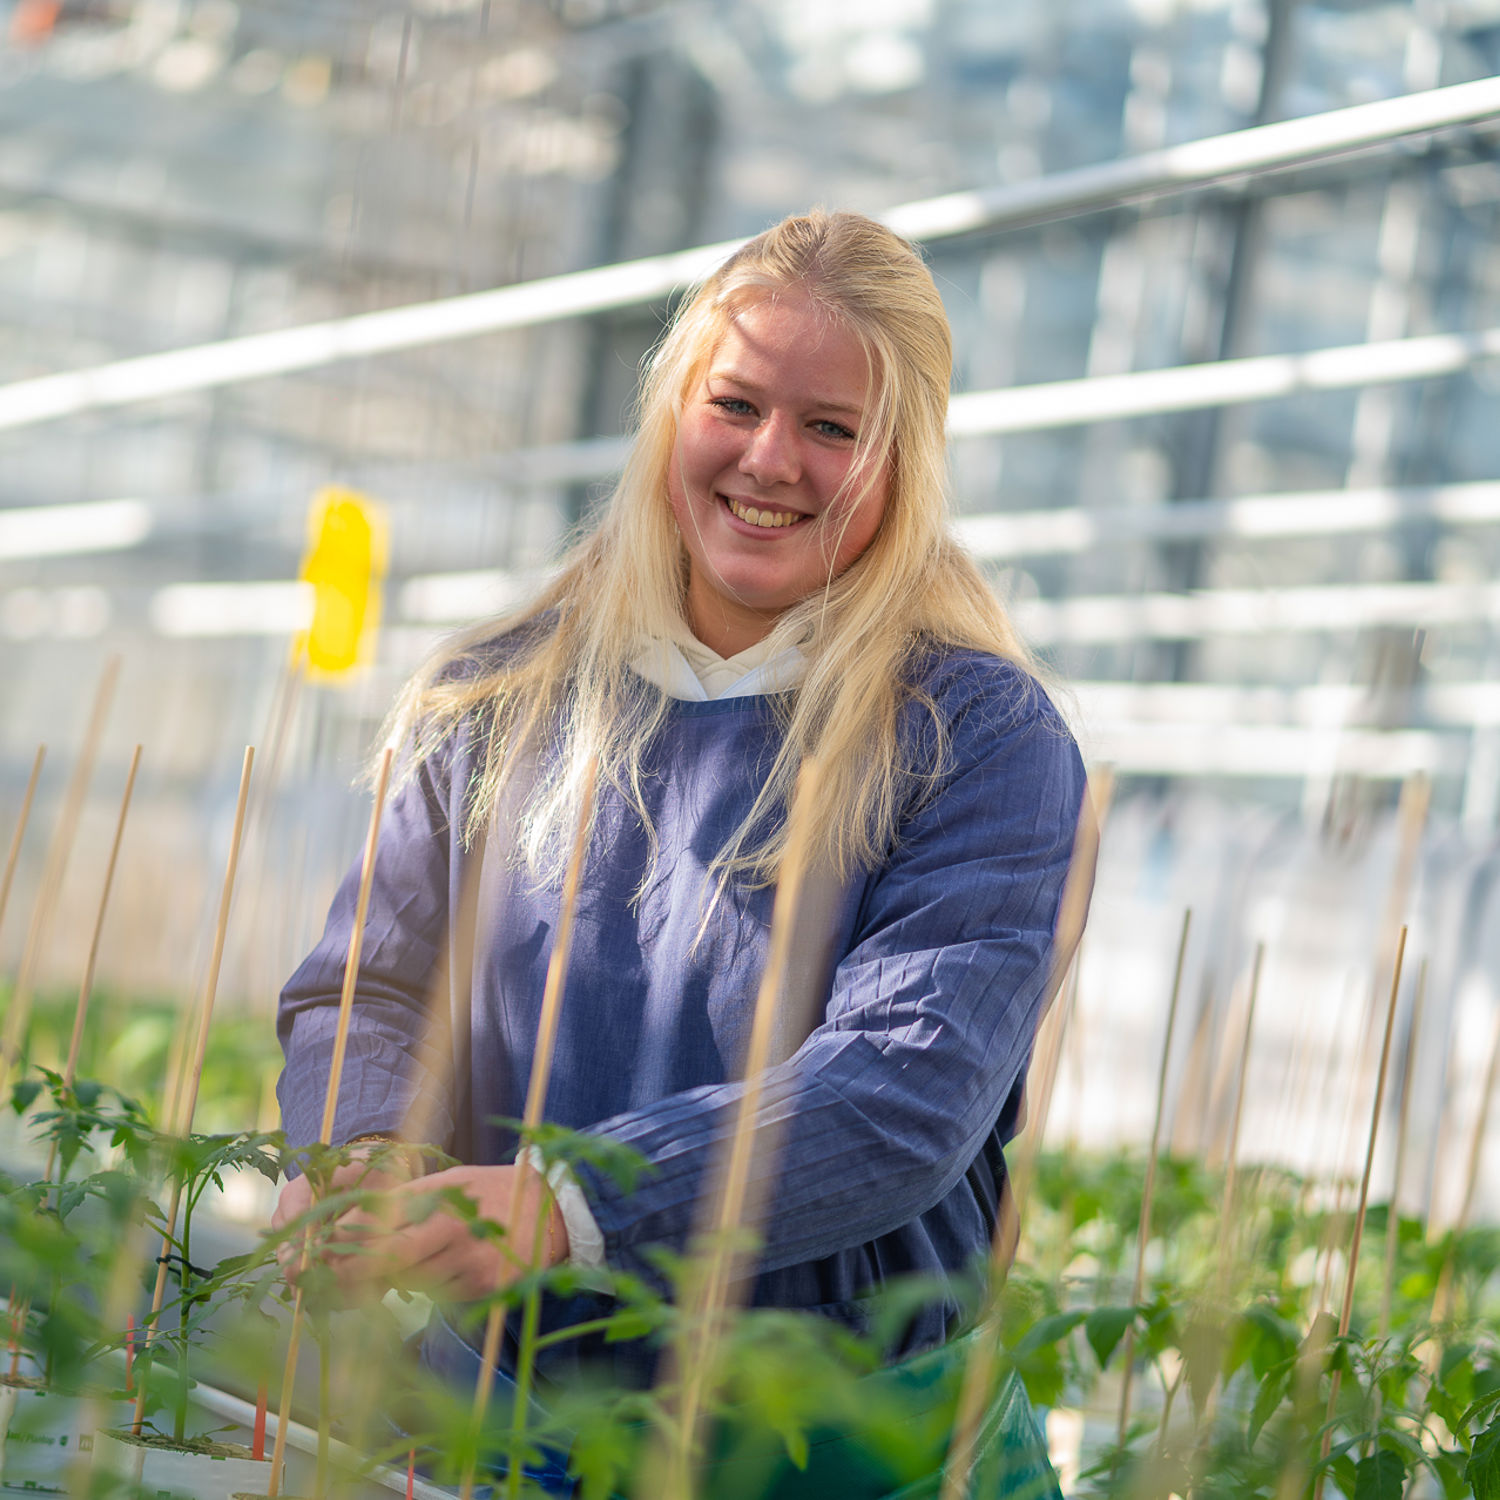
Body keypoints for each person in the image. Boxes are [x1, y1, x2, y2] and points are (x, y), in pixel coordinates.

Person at [273, 208, 1086, 1488]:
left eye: (835, 430)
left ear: (905, 465)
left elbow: (900, 1091)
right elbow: (371, 985)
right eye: (738, 404)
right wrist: (362, 1148)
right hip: (487, 1414)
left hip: (826, 1445)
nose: (773, 461)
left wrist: (574, 1203)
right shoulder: (498, 700)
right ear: (672, 412)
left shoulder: (974, 737)